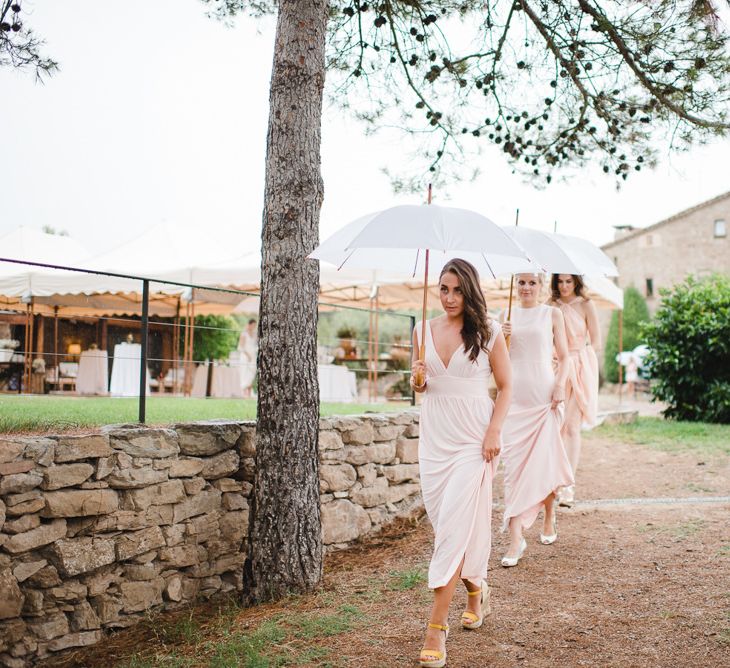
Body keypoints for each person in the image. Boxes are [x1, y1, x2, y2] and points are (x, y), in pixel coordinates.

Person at [410, 258, 511, 668]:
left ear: (469, 290)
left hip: (474, 439)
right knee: (450, 524)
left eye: (456, 290)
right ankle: (475, 589)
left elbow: (506, 386)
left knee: (452, 528)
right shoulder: (422, 330)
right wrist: (417, 377)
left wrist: (493, 433)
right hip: (435, 439)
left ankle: (436, 629)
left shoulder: (488, 330)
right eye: (443, 289)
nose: (449, 298)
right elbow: (423, 387)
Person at [499, 274, 574, 567]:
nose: (526, 288)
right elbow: (497, 359)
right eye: (521, 282)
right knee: (513, 468)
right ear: (514, 285)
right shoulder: (504, 314)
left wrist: (559, 384)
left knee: (545, 462)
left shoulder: (552, 314)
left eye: (532, 282)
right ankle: (516, 538)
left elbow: (565, 358)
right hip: (514, 398)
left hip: (544, 396)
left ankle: (549, 514)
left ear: (541, 285)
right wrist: (502, 335)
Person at [547, 274, 600, 507]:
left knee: (571, 426)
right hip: (554, 368)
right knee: (555, 427)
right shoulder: (550, 306)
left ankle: (569, 485)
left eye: (569, 281)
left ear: (576, 281)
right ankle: (554, 481)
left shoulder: (587, 304)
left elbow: (596, 341)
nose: (564, 286)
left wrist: (580, 358)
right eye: (560, 281)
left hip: (579, 367)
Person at [237, 318, 258, 397]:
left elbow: (255, 344)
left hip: (253, 355)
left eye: (255, 325)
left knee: (252, 372)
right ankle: (244, 392)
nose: (253, 327)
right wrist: (247, 355)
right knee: (245, 373)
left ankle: (249, 391)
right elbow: (240, 347)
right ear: (249, 324)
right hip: (245, 356)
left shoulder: (255, 334)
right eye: (252, 325)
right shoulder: (244, 334)